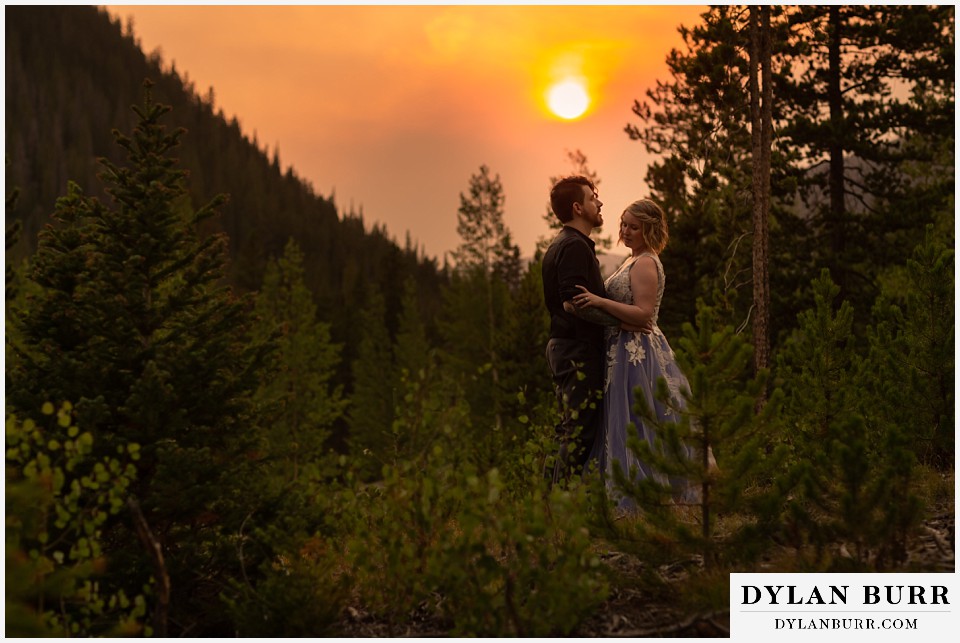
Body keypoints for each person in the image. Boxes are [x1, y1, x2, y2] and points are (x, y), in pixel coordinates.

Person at [569, 198, 703, 510]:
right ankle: (632, 494)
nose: (626, 231)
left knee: (643, 420)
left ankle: (657, 497)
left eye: (634, 227)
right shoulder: (633, 260)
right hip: (622, 350)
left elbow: (644, 314)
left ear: (649, 230)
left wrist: (599, 302)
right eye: (624, 224)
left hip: (638, 353)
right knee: (629, 422)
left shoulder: (645, 262)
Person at [541, 176, 637, 485]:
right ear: (577, 207)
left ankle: (546, 501)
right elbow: (573, 303)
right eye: (593, 198)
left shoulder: (565, 243)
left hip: (566, 347)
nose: (600, 203)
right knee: (579, 431)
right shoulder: (573, 246)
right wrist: (621, 323)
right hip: (576, 350)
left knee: (569, 428)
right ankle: (556, 504)